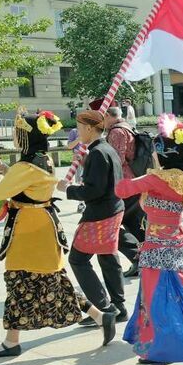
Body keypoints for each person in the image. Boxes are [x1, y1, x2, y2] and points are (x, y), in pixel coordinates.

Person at [0, 111, 82, 358]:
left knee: (18, 281)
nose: (16, 136)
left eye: (19, 133)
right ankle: (101, 316)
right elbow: (27, 181)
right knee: (53, 279)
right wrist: (4, 168)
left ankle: (11, 342)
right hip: (44, 223)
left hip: (28, 230)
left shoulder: (25, 166)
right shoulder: (43, 158)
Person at [118, 116, 183, 364]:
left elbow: (121, 189)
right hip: (176, 243)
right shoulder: (181, 180)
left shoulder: (155, 179)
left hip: (156, 247)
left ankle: (161, 347)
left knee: (157, 298)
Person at [60, 109, 124, 343]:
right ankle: (118, 306)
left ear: (89, 128)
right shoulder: (107, 149)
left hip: (100, 213)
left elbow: (93, 190)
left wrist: (68, 190)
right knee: (108, 256)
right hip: (114, 208)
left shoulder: (97, 153)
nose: (77, 131)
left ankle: (103, 308)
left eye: (79, 126)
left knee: (78, 259)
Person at [102, 104, 145, 279]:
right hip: (132, 183)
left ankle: (138, 257)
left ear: (107, 115)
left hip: (123, 185)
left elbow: (116, 160)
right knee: (135, 224)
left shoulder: (117, 132)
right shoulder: (126, 127)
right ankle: (145, 259)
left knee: (110, 224)